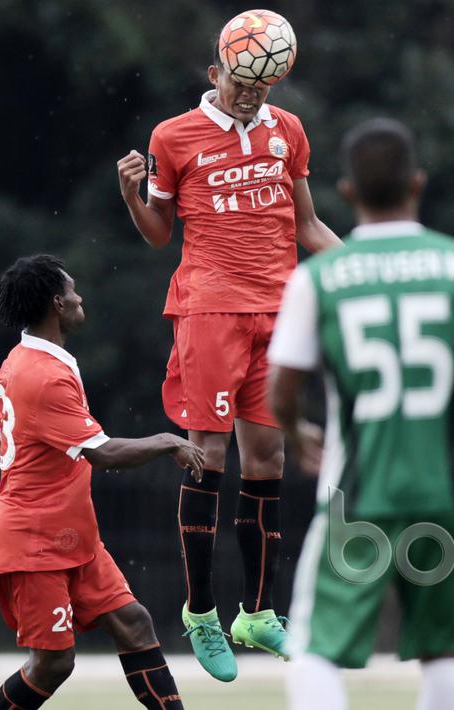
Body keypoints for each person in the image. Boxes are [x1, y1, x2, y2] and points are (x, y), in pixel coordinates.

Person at [267, 118, 454, 710]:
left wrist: (297, 432)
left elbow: (282, 385)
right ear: (417, 184)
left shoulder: (318, 278)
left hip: (360, 492)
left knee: (314, 648)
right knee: (445, 651)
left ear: (347, 192)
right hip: (449, 492)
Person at [114, 19, 342, 679]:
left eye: (262, 85)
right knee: (208, 454)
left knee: (267, 456)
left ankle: (258, 614)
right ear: (215, 71)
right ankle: (200, 612)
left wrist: (367, 261)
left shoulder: (289, 130)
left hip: (280, 308)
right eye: (240, 82)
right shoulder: (173, 135)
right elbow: (159, 234)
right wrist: (131, 196)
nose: (249, 94)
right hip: (208, 308)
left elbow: (304, 224)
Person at [0, 254, 206, 710]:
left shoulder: (19, 361)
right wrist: (167, 441)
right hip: (35, 543)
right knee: (53, 663)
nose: (79, 296)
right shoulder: (42, 377)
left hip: (71, 537)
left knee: (134, 623)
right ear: (56, 304)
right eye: (72, 290)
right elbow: (102, 454)